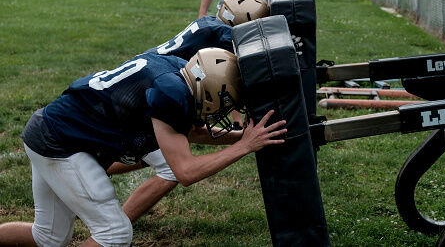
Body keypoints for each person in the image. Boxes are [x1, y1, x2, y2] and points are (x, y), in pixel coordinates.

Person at [0, 47, 287, 247]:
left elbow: (188, 133)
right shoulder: (171, 94)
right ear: (211, 91)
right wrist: (244, 147)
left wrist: (241, 137)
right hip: (59, 144)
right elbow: (185, 171)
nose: (224, 111)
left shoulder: (178, 71)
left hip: (49, 129)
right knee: (114, 234)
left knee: (49, 238)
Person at [106, 0, 271, 223]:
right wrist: (245, 142)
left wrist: (242, 137)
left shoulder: (208, 23)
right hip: (152, 95)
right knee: (171, 167)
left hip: (142, 84)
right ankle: (117, 226)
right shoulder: (224, 39)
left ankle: (97, 168)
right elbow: (192, 148)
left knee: (153, 150)